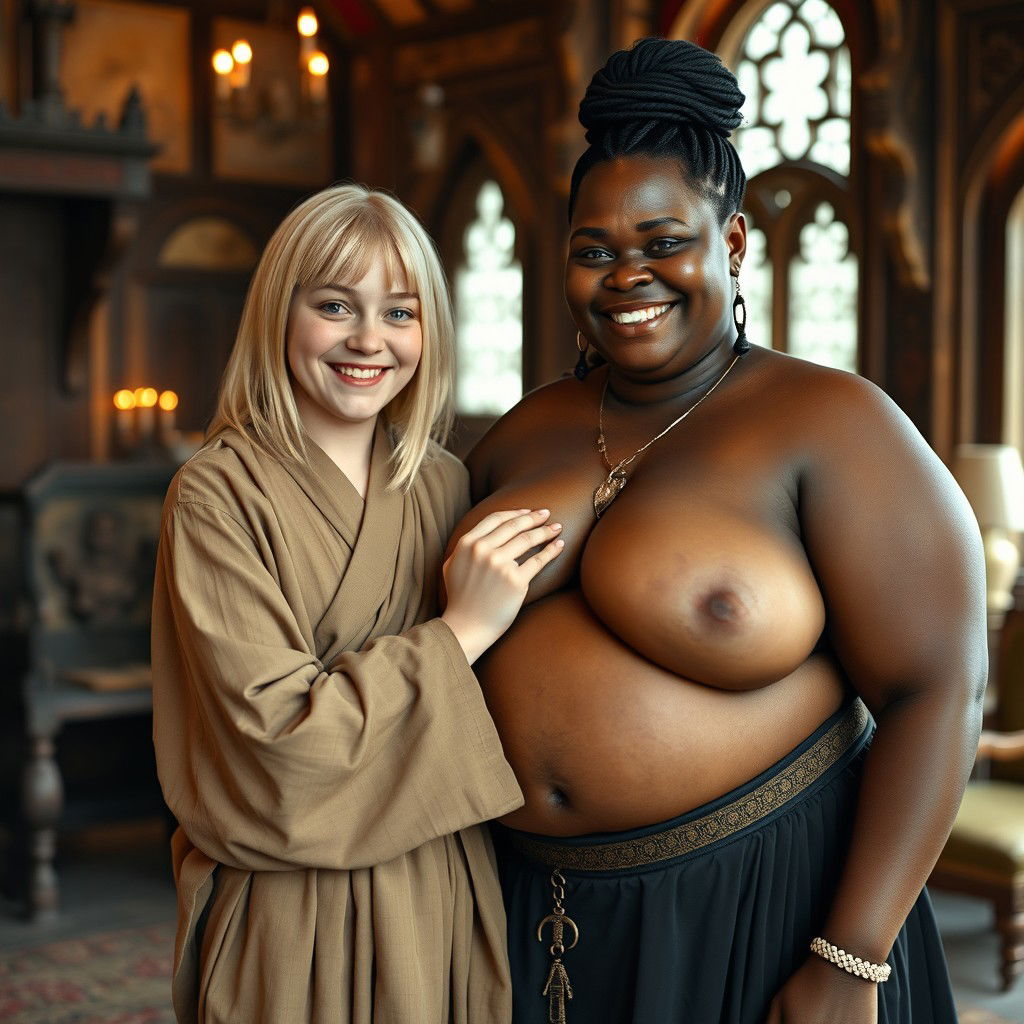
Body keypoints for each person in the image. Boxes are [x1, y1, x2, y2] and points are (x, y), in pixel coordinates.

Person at [456, 38, 986, 1024]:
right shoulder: (521, 432)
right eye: (594, 249)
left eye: (663, 242)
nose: (627, 275)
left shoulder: (832, 423)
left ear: (732, 242)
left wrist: (850, 958)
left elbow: (935, 688)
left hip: (761, 914)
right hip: (523, 915)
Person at [151, 183, 565, 1023]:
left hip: (441, 883)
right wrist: (462, 632)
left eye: (400, 313)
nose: (369, 340)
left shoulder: (446, 483)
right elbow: (279, 749)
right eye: (336, 305)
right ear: (279, 313)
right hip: (291, 912)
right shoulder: (215, 498)